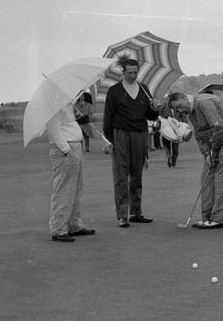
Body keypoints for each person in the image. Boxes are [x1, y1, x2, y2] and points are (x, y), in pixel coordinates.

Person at [170, 92, 223, 228]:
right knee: (206, 178)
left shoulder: (204, 102)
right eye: (176, 110)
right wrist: (206, 153)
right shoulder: (191, 113)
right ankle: (206, 217)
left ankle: (218, 218)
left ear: (185, 98)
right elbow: (199, 133)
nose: (180, 111)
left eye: (179, 106)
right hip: (214, 145)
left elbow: (219, 127)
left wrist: (213, 151)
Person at [102, 58, 160, 228]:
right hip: (120, 134)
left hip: (140, 134)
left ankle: (136, 212)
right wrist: (110, 140)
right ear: (123, 72)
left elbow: (150, 116)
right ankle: (122, 215)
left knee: (137, 174)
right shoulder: (114, 91)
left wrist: (154, 109)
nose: (133, 75)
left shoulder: (144, 89)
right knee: (121, 175)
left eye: (135, 72)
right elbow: (107, 119)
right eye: (130, 72)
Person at [46, 103, 96, 242]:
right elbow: (53, 127)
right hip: (65, 149)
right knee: (64, 189)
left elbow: (67, 124)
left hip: (74, 146)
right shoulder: (53, 102)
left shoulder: (66, 102)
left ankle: (73, 225)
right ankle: (58, 228)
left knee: (76, 188)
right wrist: (66, 150)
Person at [159, 100, 183, 167]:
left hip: (176, 130)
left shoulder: (179, 107)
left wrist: (185, 126)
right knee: (167, 145)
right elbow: (159, 113)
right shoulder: (164, 104)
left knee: (175, 148)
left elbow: (183, 117)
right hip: (166, 129)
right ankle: (169, 157)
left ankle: (173, 162)